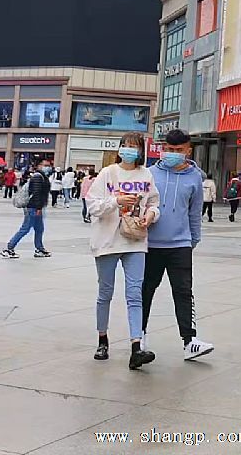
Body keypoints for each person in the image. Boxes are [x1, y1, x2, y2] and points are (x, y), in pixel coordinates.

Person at [86, 132, 160, 370]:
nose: (129, 150)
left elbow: (154, 203)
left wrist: (151, 215)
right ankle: (102, 339)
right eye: (125, 146)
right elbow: (92, 205)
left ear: (141, 151)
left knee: (135, 293)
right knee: (105, 293)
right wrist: (116, 201)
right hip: (107, 241)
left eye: (134, 146)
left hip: (135, 240)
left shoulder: (146, 174)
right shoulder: (108, 173)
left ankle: (136, 347)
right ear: (119, 149)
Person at [141, 129, 213, 361]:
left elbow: (195, 212)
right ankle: (139, 337)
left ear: (188, 150)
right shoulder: (150, 173)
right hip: (150, 244)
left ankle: (190, 341)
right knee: (145, 291)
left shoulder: (195, 177)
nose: (172, 153)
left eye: (178, 150)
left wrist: (193, 240)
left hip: (180, 245)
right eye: (169, 149)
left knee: (183, 291)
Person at [1, 158, 53, 258]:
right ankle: (9, 248)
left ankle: (39, 249)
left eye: (49, 166)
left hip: (37, 206)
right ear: (39, 166)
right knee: (25, 228)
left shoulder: (42, 176)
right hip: (33, 207)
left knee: (39, 229)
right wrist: (38, 208)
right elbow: (36, 193)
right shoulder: (38, 177)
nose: (48, 167)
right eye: (45, 165)